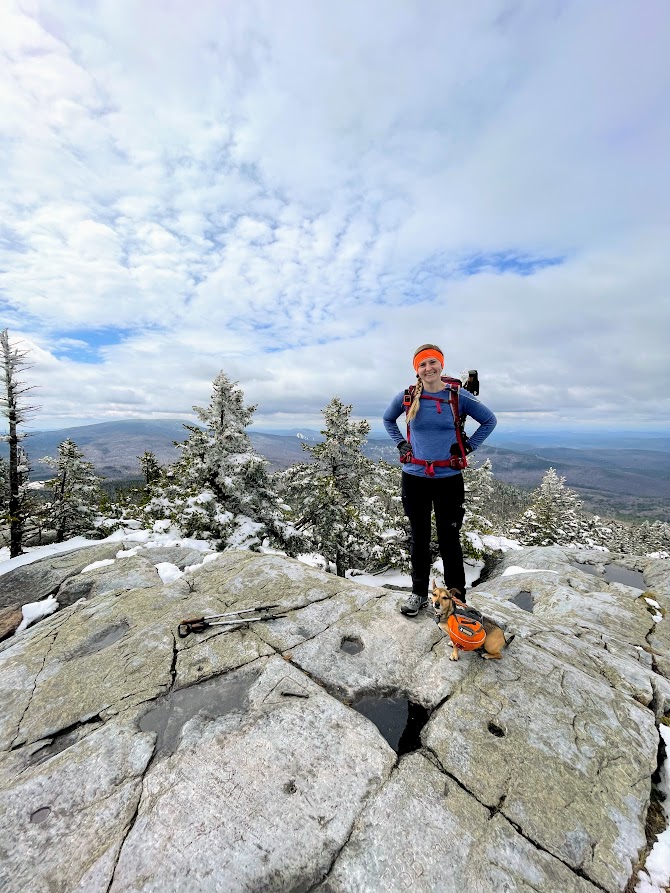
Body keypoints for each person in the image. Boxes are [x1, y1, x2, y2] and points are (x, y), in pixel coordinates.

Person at [383, 343, 497, 616]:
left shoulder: (458, 396)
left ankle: (456, 598)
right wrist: (401, 444)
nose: (428, 368)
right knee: (419, 539)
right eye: (422, 364)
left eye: (432, 362)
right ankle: (419, 594)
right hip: (415, 477)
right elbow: (388, 420)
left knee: (449, 539)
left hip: (448, 478)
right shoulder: (408, 396)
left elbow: (489, 421)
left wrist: (468, 447)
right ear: (417, 370)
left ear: (441, 365)